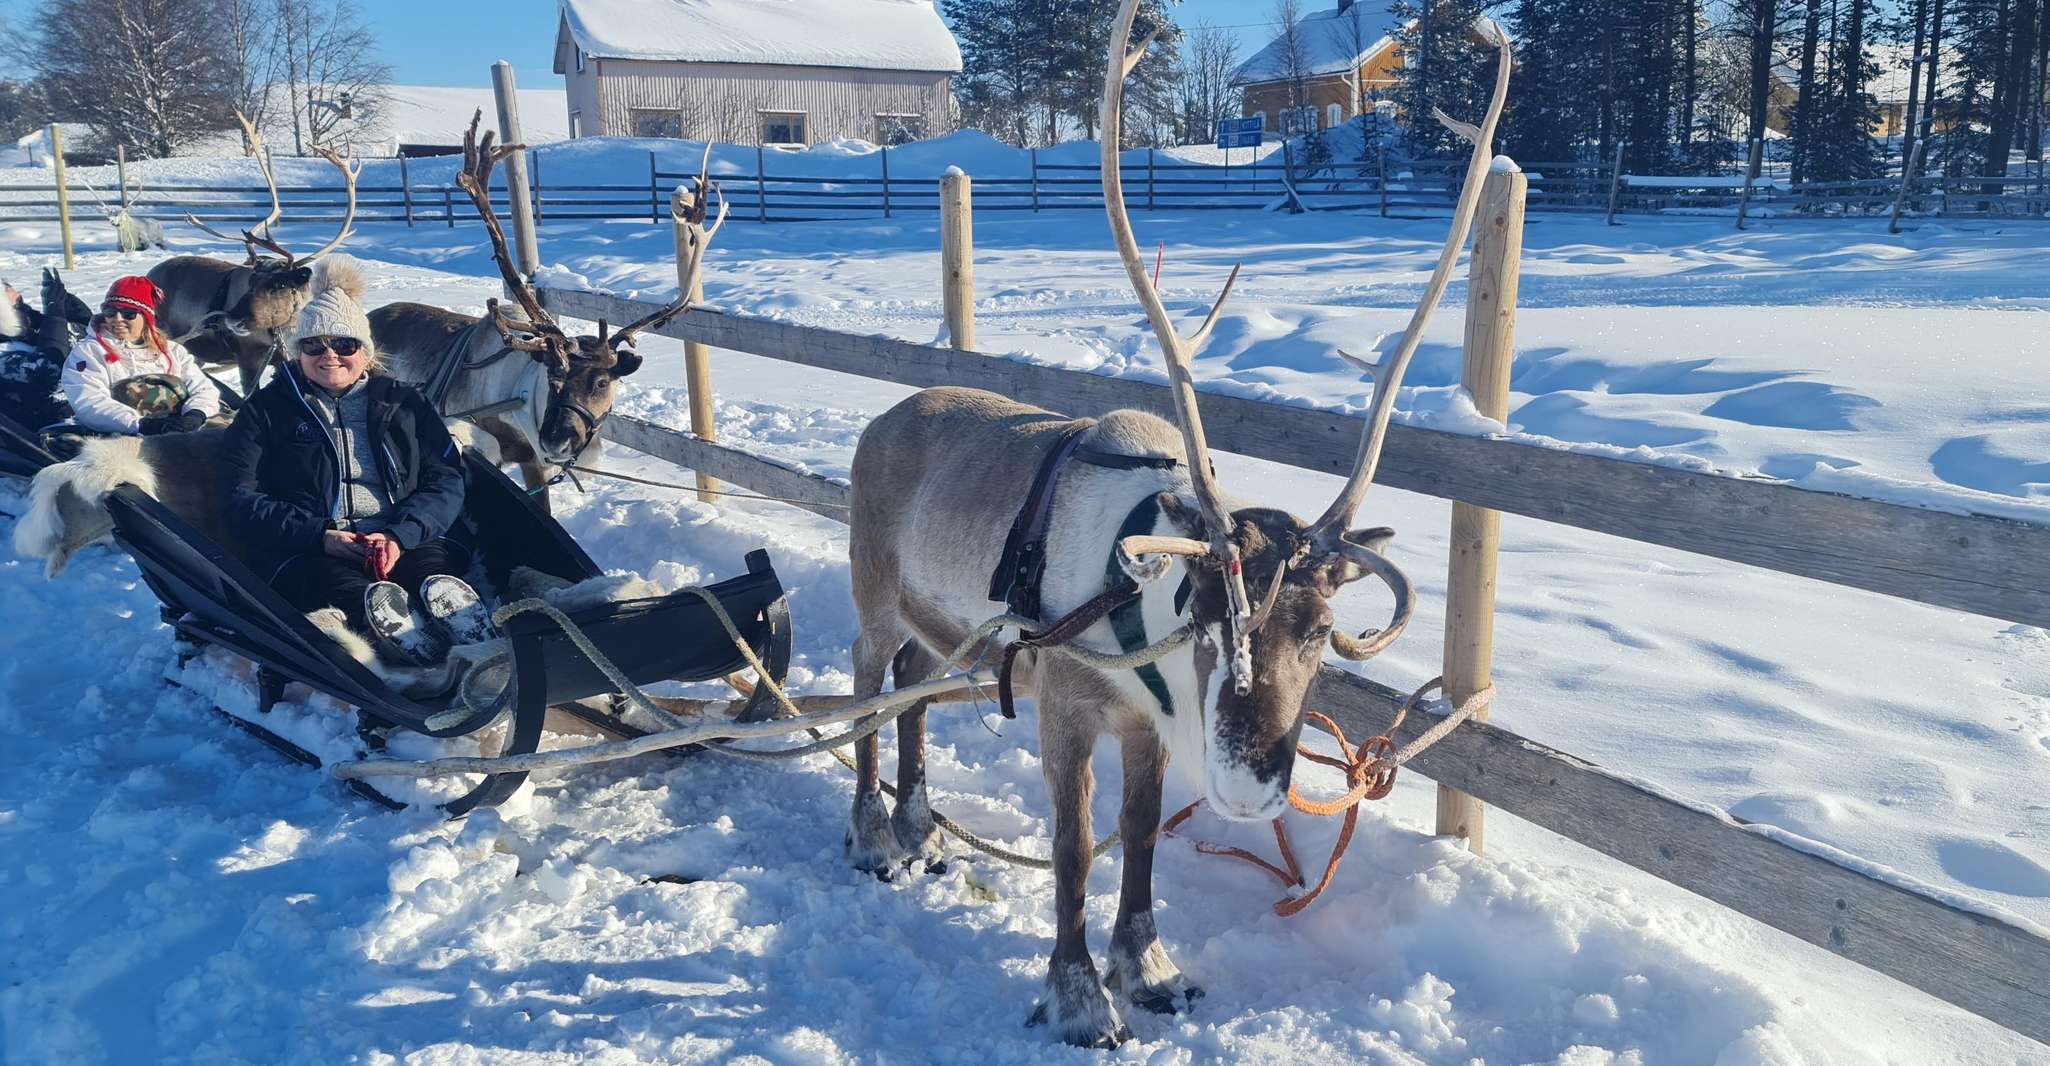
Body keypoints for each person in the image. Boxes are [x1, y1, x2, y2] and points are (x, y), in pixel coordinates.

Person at [218, 258, 491, 665]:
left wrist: (400, 535)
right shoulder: (267, 411)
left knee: (434, 581)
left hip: (404, 537)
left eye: (344, 345)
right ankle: (414, 663)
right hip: (312, 547)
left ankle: (470, 637)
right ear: (297, 353)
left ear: (365, 351)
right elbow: (238, 496)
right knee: (357, 596)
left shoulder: (405, 403)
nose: (329, 356)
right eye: (314, 345)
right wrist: (319, 536)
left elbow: (446, 478)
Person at [60, 276, 220, 436]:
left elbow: (203, 388)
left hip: (180, 428)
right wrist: (142, 425)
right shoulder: (89, 352)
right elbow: (88, 401)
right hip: (125, 435)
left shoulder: (172, 351)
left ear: (147, 317)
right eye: (110, 312)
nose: (117, 319)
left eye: (129, 314)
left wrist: (195, 414)